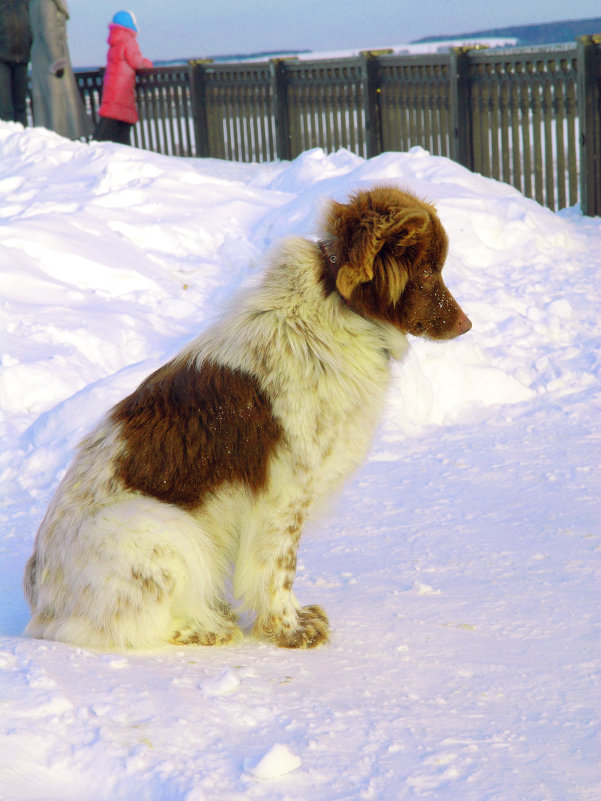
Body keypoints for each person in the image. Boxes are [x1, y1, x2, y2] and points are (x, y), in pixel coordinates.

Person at [29, 0, 92, 139]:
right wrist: (57, 60)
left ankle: (56, 140)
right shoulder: (47, 3)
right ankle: (63, 140)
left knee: (53, 107)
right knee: (59, 107)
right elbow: (48, 31)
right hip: (51, 59)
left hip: (44, 56)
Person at [93, 10, 152, 146]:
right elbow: (137, 62)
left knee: (113, 117)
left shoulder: (115, 42)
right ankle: (109, 148)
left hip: (113, 87)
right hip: (122, 88)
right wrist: (148, 63)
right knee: (119, 118)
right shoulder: (128, 41)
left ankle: (103, 147)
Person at [0, 0, 32, 126]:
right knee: (4, 107)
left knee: (20, 105)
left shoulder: (25, 2)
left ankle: (23, 139)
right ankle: (7, 141)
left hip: (22, 58)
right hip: (2, 59)